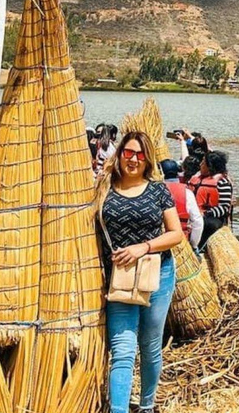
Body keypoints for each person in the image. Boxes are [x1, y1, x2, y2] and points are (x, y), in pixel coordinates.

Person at [95, 131, 182, 413]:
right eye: (128, 153)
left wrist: (142, 247)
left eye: (140, 155)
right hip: (118, 277)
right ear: (119, 154)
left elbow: (176, 234)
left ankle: (147, 406)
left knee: (150, 345)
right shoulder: (103, 187)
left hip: (157, 273)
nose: (133, 159)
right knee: (122, 350)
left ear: (148, 160)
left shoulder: (158, 189)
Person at [187, 151, 233, 249]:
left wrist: (205, 214)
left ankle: (196, 247)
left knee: (208, 224)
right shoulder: (196, 178)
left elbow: (224, 207)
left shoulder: (222, 183)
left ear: (210, 167)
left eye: (203, 163)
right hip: (192, 213)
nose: (200, 164)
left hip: (210, 217)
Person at [160, 159, 203, 252]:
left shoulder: (152, 190)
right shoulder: (187, 192)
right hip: (181, 242)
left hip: (158, 241)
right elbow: (198, 223)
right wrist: (193, 245)